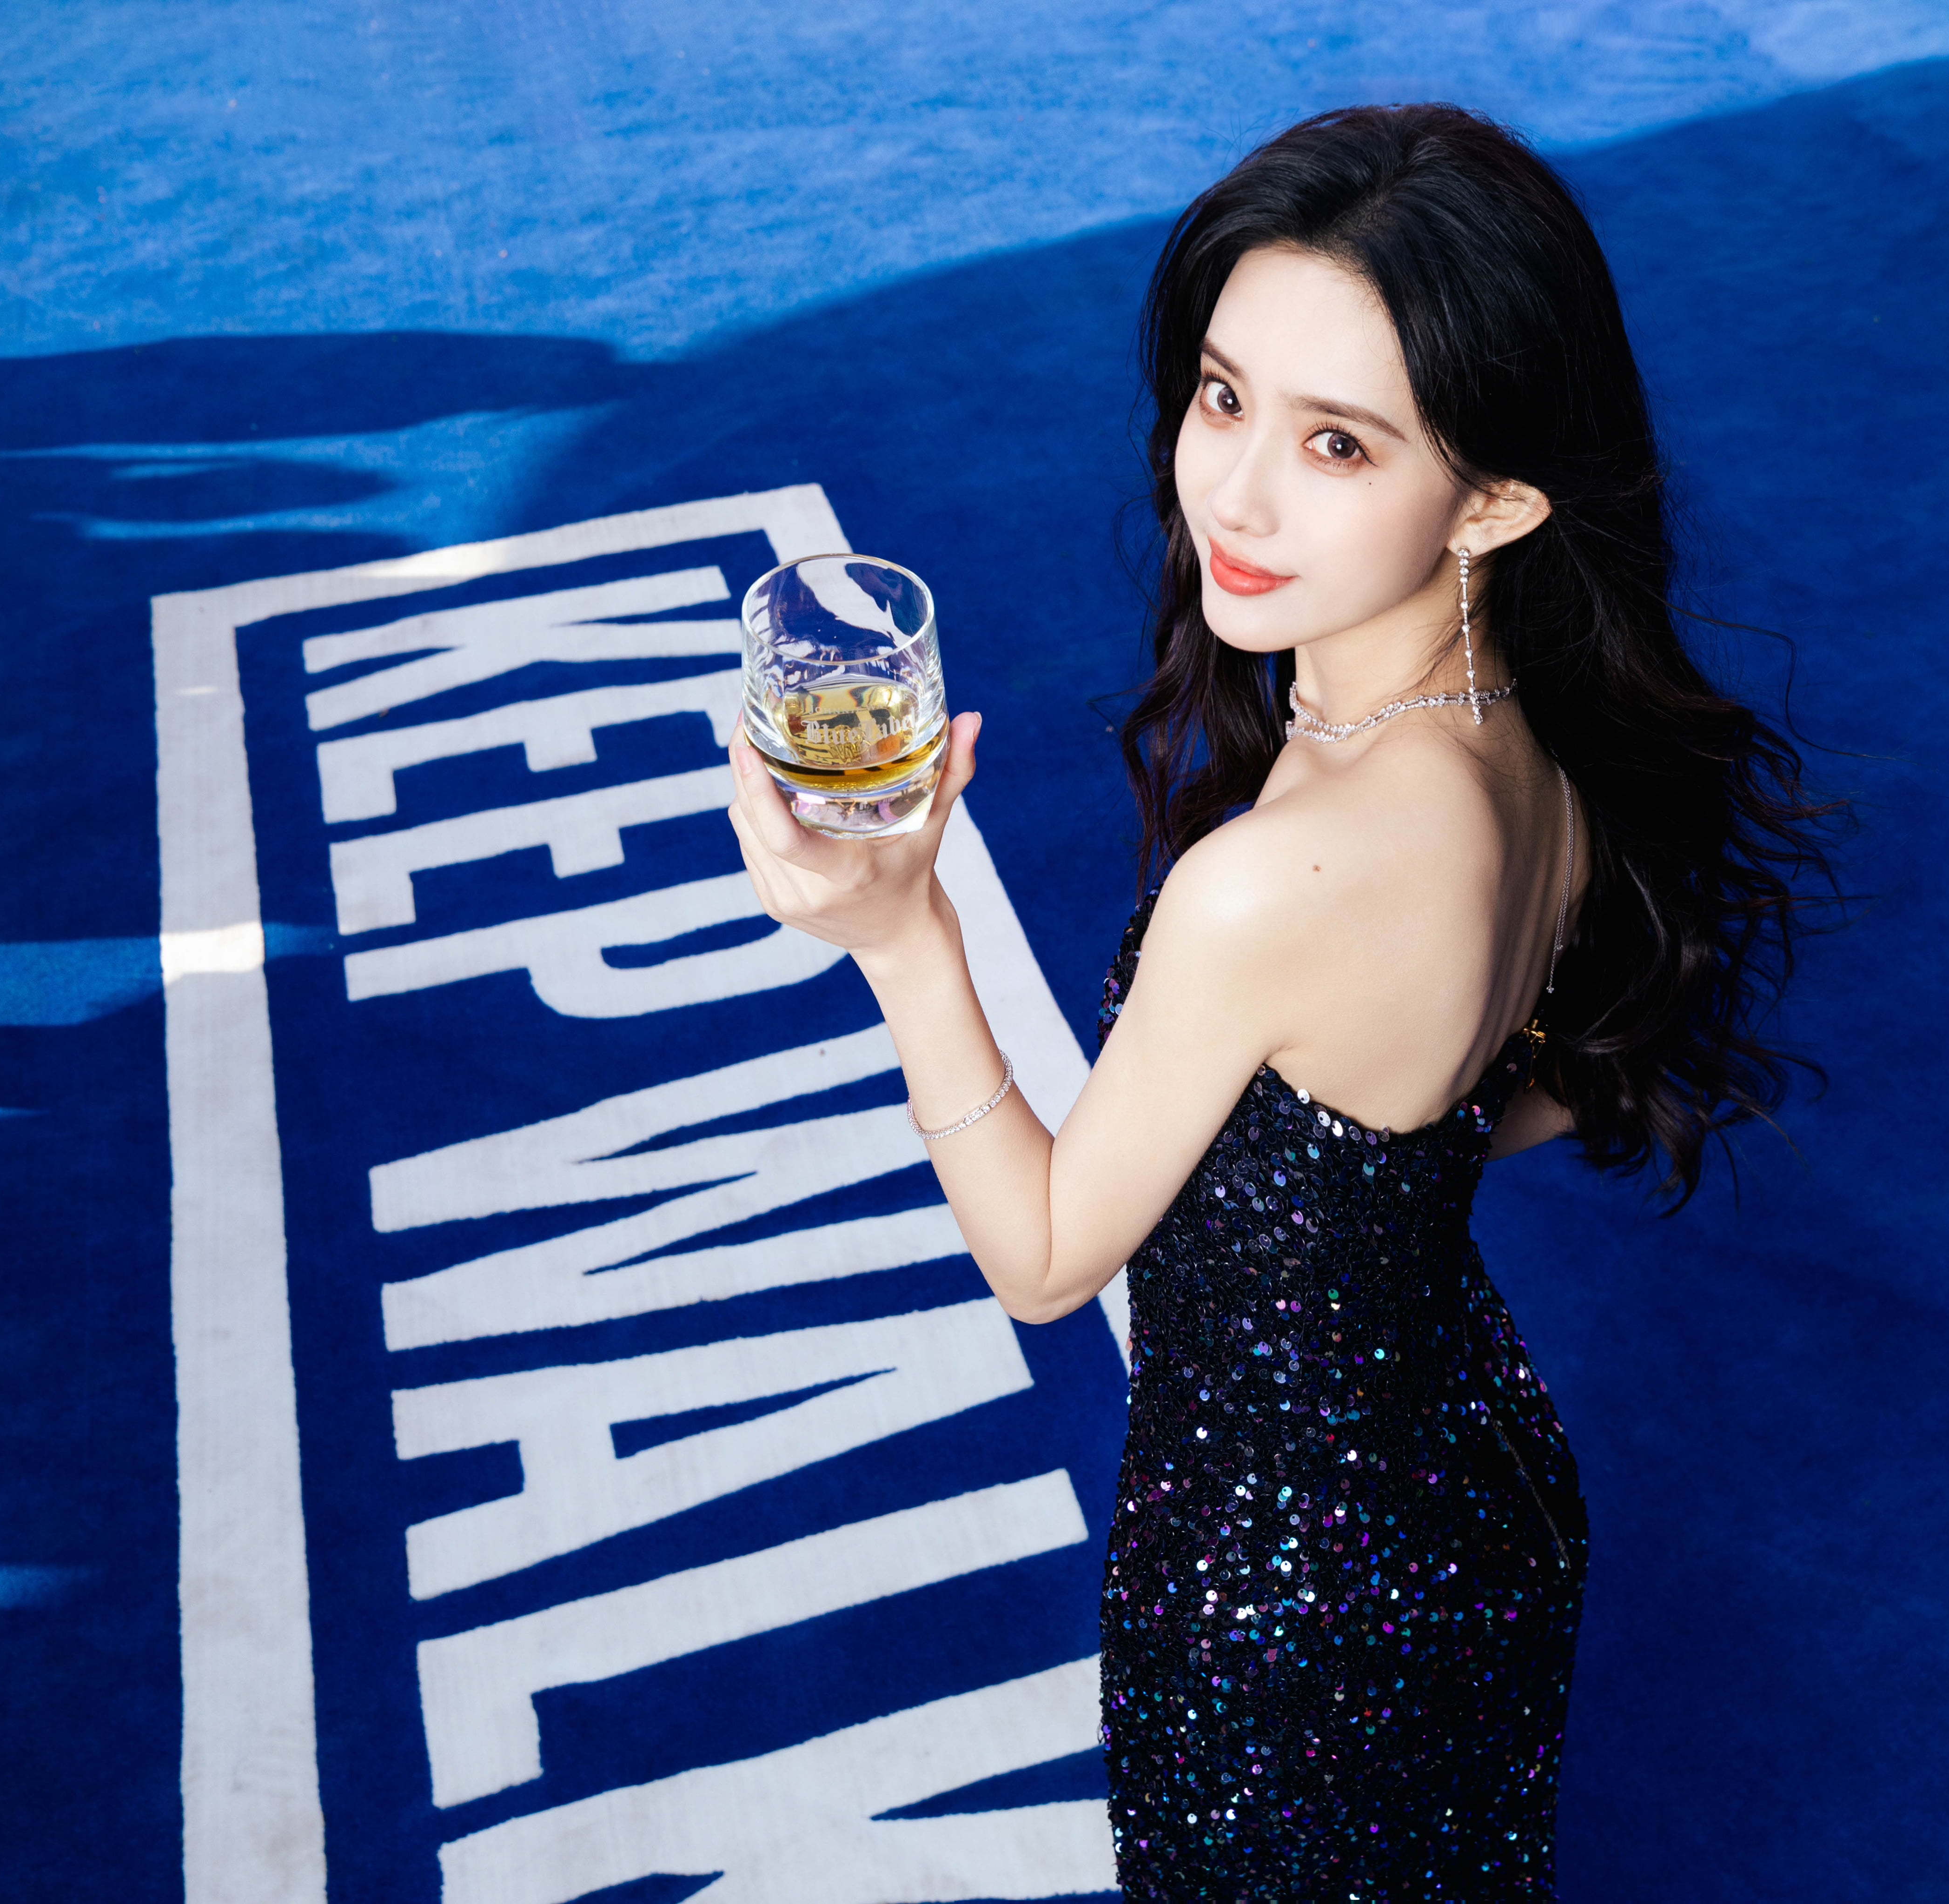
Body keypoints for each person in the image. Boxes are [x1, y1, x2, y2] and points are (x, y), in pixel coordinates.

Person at [728, 101, 1838, 1903]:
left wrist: (904, 932)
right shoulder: (1525, 743)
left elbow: (1044, 1258)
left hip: (1284, 1615)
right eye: (1223, 397)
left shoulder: (1273, 882)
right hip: (1468, 1490)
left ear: (1499, 498)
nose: (1232, 493)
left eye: (1337, 443)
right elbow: (1523, 1079)